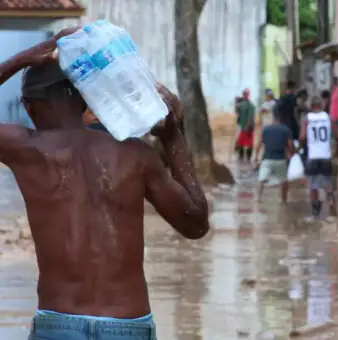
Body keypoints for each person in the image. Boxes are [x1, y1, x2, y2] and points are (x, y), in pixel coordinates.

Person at [0, 35, 209, 339]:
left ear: (30, 107)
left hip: (59, 323)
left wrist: (22, 59)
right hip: (127, 324)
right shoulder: (135, 154)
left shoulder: (27, 149)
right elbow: (196, 223)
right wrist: (173, 136)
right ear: (85, 100)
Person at [299, 96, 337, 218]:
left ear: (311, 106)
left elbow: (302, 137)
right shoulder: (328, 117)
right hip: (326, 156)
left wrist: (302, 147)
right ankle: (331, 202)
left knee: (313, 185)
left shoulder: (307, 119)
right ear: (322, 105)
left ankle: (316, 212)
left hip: (313, 156)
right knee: (328, 182)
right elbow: (337, 134)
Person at [254, 110, 295, 203]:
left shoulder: (266, 129)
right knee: (283, 180)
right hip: (281, 159)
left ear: (274, 119)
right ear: (282, 120)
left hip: (267, 159)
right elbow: (290, 145)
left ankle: (258, 198)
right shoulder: (286, 130)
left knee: (262, 179)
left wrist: (256, 156)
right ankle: (283, 200)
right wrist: (291, 155)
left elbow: (259, 143)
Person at [235, 89, 255, 162]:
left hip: (246, 127)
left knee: (245, 143)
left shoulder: (249, 105)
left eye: (246, 94)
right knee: (242, 143)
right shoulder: (249, 105)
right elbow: (237, 113)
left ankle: (246, 158)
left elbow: (251, 117)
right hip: (244, 127)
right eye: (245, 94)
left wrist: (248, 126)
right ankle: (244, 158)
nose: (246, 95)